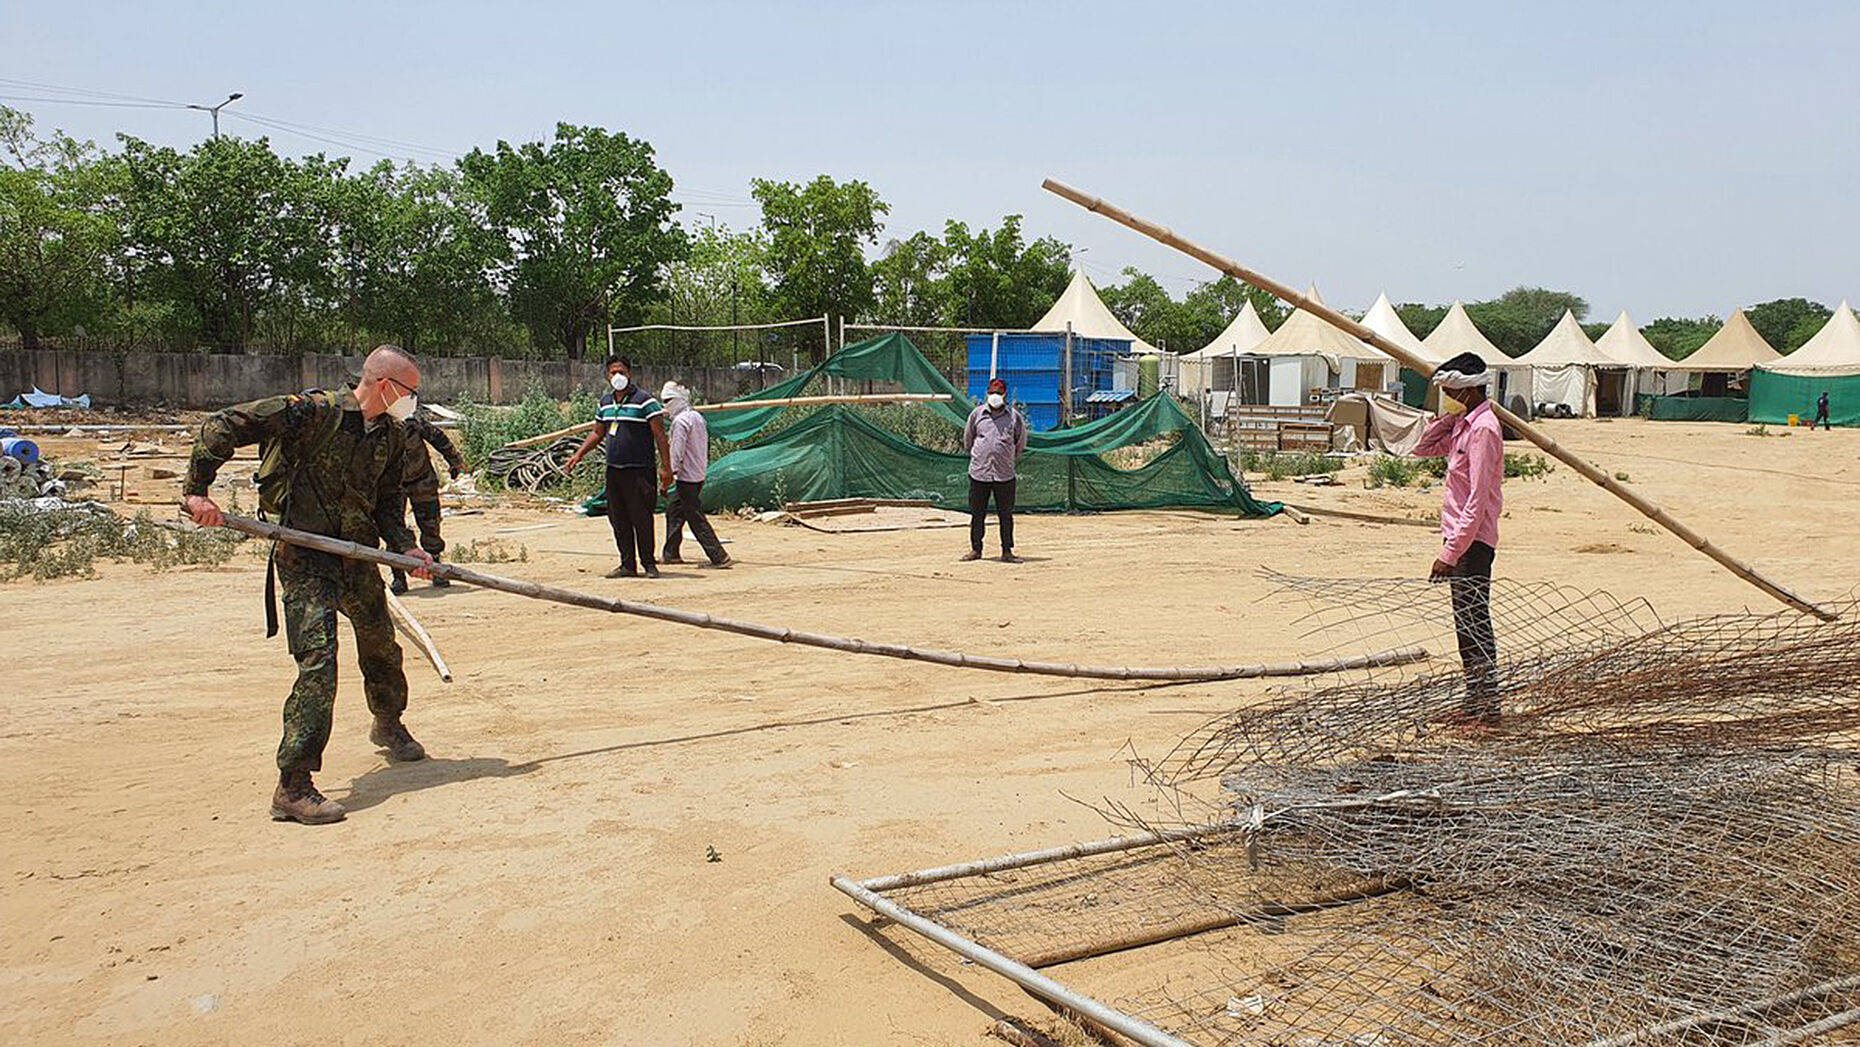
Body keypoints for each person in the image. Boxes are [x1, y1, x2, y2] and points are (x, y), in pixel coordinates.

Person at [182, 345, 436, 825]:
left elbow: (387, 498)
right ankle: (293, 784)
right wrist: (198, 490)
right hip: (306, 558)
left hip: (357, 557)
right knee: (318, 663)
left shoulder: (389, 435)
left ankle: (388, 723)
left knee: (381, 646)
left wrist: (407, 546)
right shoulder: (310, 413)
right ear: (385, 385)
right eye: (410, 391)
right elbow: (224, 424)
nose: (413, 401)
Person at [1412, 351, 1504, 725]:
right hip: (1460, 540)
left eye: (1450, 391)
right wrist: (1448, 418)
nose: (1446, 395)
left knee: (1474, 623)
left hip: (1472, 543)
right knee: (1465, 625)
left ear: (1466, 391)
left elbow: (1477, 499)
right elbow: (1422, 448)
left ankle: (1486, 707)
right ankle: (1475, 701)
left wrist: (1450, 554)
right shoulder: (1463, 424)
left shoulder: (1483, 429)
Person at [564, 356, 674, 578]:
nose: (617, 377)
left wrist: (666, 468)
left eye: (621, 372)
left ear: (629, 373)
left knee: (641, 517)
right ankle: (627, 564)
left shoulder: (645, 401)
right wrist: (578, 454)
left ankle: (649, 564)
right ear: (607, 375)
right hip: (614, 471)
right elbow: (598, 432)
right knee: (618, 518)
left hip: (640, 470)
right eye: (613, 372)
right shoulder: (605, 402)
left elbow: (660, 436)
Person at [390, 408, 467, 595]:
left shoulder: (412, 421)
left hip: (421, 479)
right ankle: (398, 576)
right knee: (393, 528)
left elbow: (438, 438)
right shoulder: (378, 425)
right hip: (391, 485)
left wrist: (455, 462)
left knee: (430, 524)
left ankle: (435, 567)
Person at [658, 381, 732, 569]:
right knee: (674, 512)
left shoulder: (680, 422)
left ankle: (718, 555)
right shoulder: (697, 417)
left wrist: (669, 473)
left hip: (686, 476)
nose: (666, 405)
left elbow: (677, 451)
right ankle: (671, 553)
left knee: (694, 517)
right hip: (698, 473)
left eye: (668, 400)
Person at [961, 377, 1028, 563]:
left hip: (1004, 474)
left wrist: (1006, 457)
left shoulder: (1014, 417)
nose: (994, 396)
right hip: (979, 472)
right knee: (977, 513)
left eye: (998, 393)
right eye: (992, 393)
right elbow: (968, 440)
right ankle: (976, 549)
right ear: (987, 393)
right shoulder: (976, 414)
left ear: (1005, 395)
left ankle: (1007, 551)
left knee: (1005, 514)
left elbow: (1020, 442)